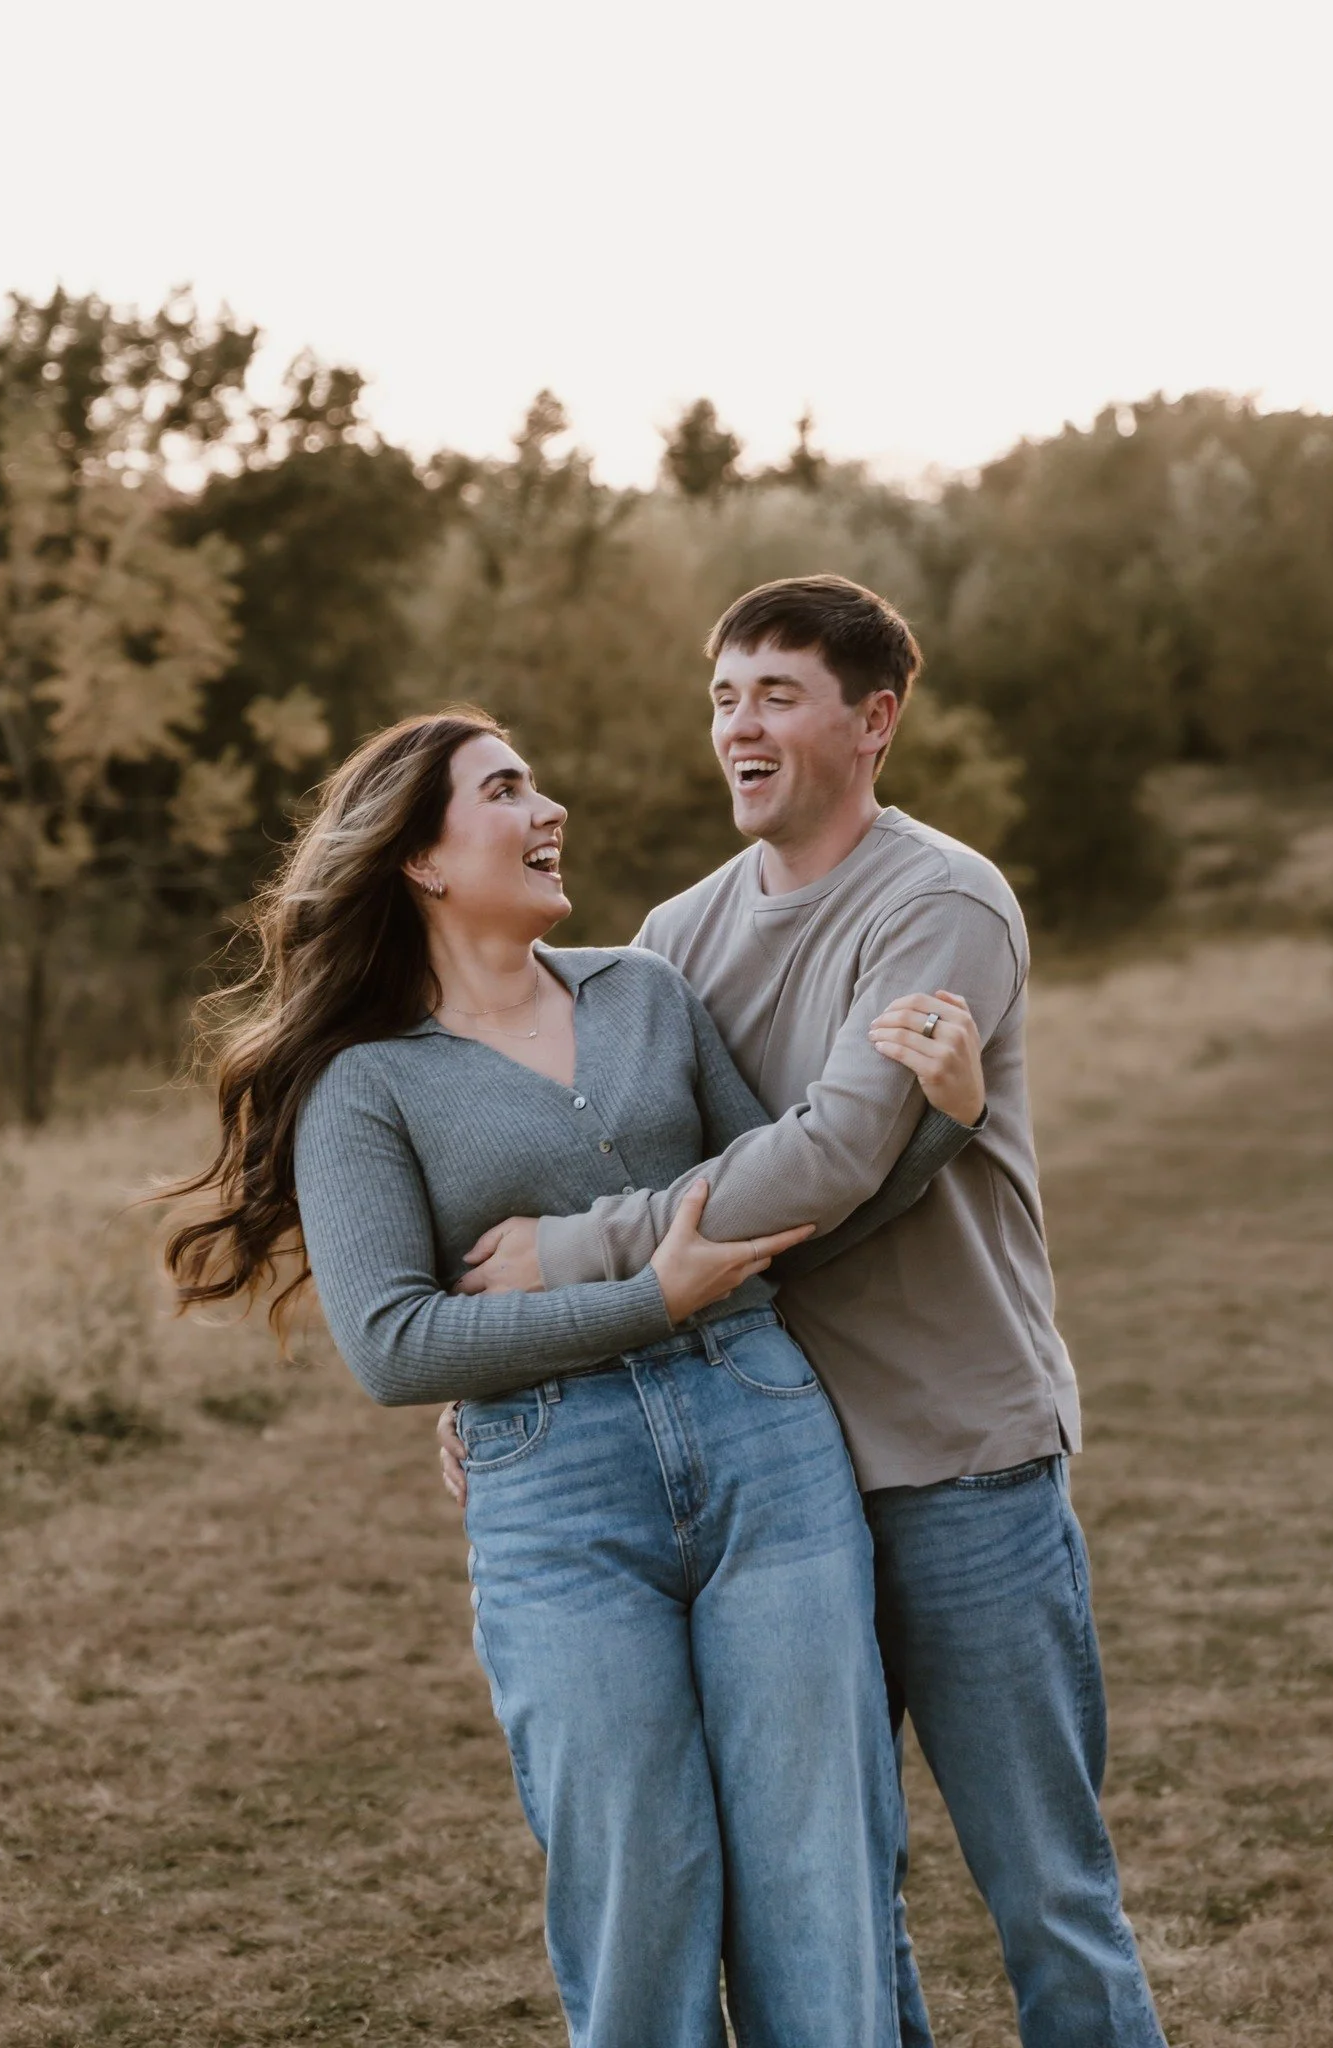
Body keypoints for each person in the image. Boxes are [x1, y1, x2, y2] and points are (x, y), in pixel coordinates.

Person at [161, 705, 988, 2048]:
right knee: (640, 1889)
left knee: (816, 1867)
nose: (548, 810)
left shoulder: (646, 991)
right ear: (422, 859)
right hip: (555, 1497)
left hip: (766, 1434)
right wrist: (644, 1297)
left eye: (537, 783)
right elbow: (394, 1346)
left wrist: (941, 1129)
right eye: (507, 789)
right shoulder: (365, 1087)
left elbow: (791, 1203)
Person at [441, 576, 1168, 2048]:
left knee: (1047, 1894)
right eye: (722, 696)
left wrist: (559, 1260)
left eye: (776, 693)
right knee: (828, 1899)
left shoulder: (940, 902)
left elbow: (831, 1162)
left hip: (961, 1461)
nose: (738, 726)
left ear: (873, 719)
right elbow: (660, 1175)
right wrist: (493, 1364)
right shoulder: (673, 938)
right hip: (775, 1491)